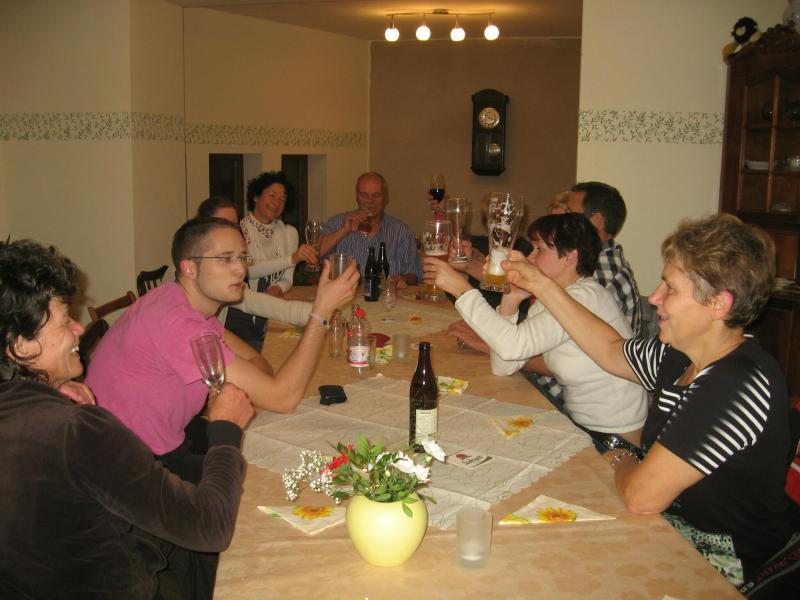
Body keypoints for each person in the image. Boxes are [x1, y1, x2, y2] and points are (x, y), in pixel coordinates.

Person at [502, 214, 793, 587]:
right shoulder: (682, 356)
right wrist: (541, 284)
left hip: (726, 561)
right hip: (670, 527)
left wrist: (620, 455)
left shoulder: (735, 384)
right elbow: (609, 349)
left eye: (670, 288)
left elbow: (642, 497)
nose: (654, 298)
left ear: (719, 304)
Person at [0, 239, 254, 599]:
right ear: (21, 346)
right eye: (64, 321)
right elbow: (210, 528)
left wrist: (49, 385)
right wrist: (225, 430)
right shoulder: (76, 431)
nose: (79, 330)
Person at [86, 217, 358, 482]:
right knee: (275, 476)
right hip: (126, 467)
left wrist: (256, 387)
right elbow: (282, 398)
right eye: (225, 259)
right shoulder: (179, 323)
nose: (241, 270)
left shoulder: (182, 302)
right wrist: (321, 313)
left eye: (242, 258)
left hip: (154, 439)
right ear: (189, 268)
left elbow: (256, 361)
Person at [424, 213, 648, 447]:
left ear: (570, 257)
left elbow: (512, 347)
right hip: (583, 425)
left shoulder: (583, 297)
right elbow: (504, 365)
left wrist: (461, 289)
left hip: (615, 437)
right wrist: (511, 298)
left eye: (539, 249)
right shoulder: (552, 298)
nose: (530, 257)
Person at [227, 171, 318, 348]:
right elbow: (248, 270)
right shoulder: (239, 231)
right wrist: (292, 258)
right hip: (242, 315)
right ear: (255, 197)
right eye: (272, 195)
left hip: (273, 309)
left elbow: (288, 278)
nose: (277, 202)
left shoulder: (289, 233)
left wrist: (278, 287)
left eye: (282, 199)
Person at [197, 196, 312, 329]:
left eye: (234, 224)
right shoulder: (246, 231)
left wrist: (318, 312)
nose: (231, 231)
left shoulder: (287, 232)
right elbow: (252, 268)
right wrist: (292, 258)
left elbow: (249, 265)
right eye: (223, 224)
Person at [319, 171, 423, 284]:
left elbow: (415, 274)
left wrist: (403, 279)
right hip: (343, 294)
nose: (370, 201)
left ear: (385, 198)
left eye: (376, 195)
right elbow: (316, 253)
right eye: (364, 195)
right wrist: (344, 230)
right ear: (356, 197)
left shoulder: (401, 232)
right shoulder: (337, 223)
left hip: (385, 294)